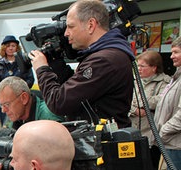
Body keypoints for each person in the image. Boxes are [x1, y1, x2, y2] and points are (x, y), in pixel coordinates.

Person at [30, 0, 134, 128]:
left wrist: (42, 69)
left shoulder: (103, 60)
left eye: (71, 26)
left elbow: (59, 103)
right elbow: (75, 93)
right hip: (100, 140)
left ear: (91, 25)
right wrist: (56, 63)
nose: (66, 33)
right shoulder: (105, 55)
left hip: (103, 144)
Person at [0, 77, 63, 165]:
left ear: (24, 98)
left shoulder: (48, 117)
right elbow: (9, 155)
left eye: (6, 104)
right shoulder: (15, 116)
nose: (3, 110)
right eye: (1, 105)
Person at [120, 51, 171, 170]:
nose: (139, 69)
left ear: (154, 68)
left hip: (151, 131)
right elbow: (125, 99)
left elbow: (161, 101)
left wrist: (143, 103)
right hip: (133, 127)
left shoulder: (165, 82)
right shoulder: (133, 81)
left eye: (143, 66)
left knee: (150, 164)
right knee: (129, 162)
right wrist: (135, 110)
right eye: (138, 66)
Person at [154, 37, 181, 170]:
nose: (171, 56)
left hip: (176, 143)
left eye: (176, 52)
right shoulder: (176, 77)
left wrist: (163, 132)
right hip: (171, 143)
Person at [0, 35, 35, 125]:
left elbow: (30, 79)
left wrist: (20, 90)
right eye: (8, 46)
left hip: (19, 98)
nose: (11, 48)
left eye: (13, 46)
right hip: (5, 99)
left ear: (17, 48)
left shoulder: (23, 61)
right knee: (6, 123)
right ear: (4, 48)